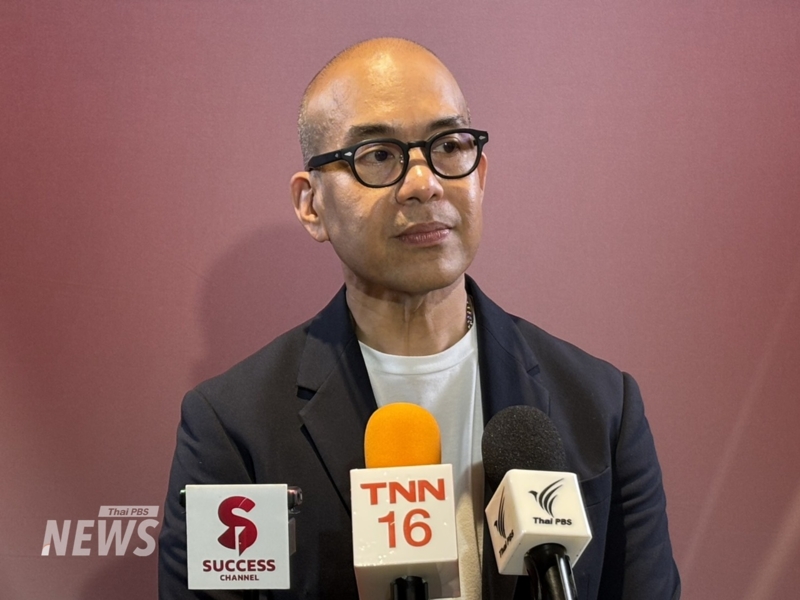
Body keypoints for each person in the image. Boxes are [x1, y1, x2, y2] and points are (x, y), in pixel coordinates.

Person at [159, 38, 680, 599]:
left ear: (480, 176)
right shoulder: (234, 427)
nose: (423, 183)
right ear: (311, 204)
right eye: (379, 155)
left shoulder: (601, 405)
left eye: (448, 146)